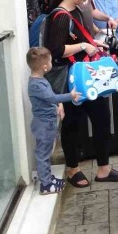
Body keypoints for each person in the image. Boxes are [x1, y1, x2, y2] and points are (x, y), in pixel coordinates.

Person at [43, 0, 118, 188]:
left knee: (102, 118)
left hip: (86, 75)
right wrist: (84, 46)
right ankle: (73, 169)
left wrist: (93, 44)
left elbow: (78, 37)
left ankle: (104, 168)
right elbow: (55, 50)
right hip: (71, 78)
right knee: (73, 123)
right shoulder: (60, 16)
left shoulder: (77, 11)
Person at [27, 47, 80, 194]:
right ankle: (45, 184)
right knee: (43, 154)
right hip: (43, 125)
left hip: (47, 123)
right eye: (50, 61)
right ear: (45, 67)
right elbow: (52, 98)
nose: (52, 63)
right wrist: (70, 96)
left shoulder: (40, 80)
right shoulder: (37, 85)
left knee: (46, 152)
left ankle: (47, 177)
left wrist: (57, 107)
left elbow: (48, 99)